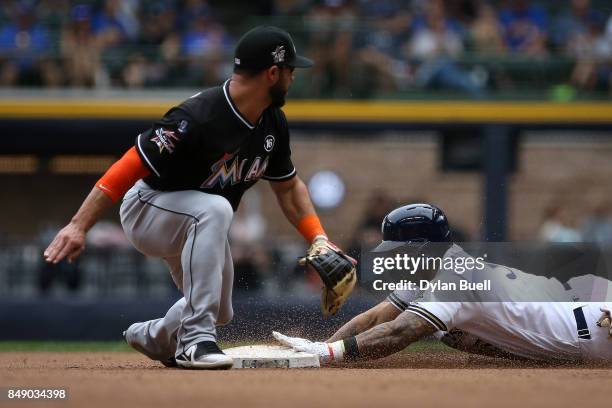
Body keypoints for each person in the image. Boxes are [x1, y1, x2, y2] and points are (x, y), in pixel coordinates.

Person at [44, 26, 353, 370]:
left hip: (198, 220)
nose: (294, 78)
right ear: (272, 73)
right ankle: (194, 342)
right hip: (148, 209)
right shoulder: (199, 116)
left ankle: (155, 336)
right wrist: (77, 226)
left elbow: (289, 188)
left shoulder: (272, 123)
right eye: (291, 70)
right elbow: (127, 167)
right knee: (216, 208)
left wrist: (320, 238)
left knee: (220, 309)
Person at [274, 203, 612, 364]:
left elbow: (399, 332)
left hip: (598, 330)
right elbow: (377, 319)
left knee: (438, 331)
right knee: (456, 338)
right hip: (578, 331)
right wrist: (319, 348)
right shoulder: (430, 271)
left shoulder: (455, 278)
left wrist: (329, 354)